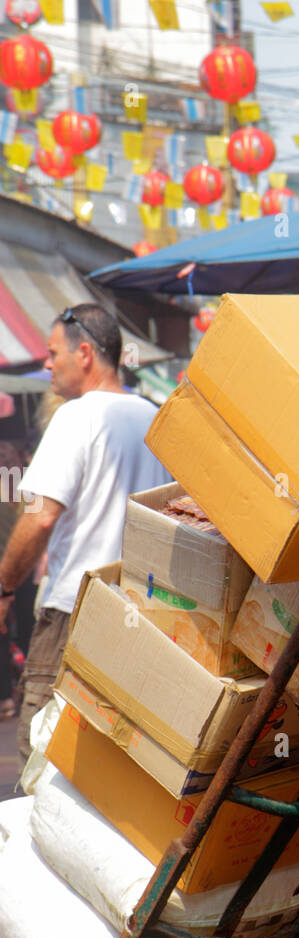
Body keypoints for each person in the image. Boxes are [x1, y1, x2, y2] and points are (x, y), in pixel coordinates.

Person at [0, 305, 166, 771]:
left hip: (76, 608)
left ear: (86, 353)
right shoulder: (154, 417)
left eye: (53, 354)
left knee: (44, 755)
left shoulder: (77, 416)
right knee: (113, 760)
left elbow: (40, 517)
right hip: (142, 612)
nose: (47, 364)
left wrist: (5, 588)